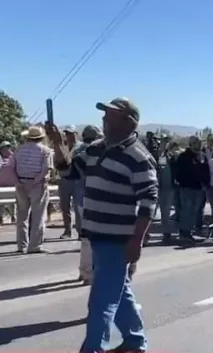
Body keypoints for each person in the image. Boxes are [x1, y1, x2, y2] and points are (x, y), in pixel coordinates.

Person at [48, 97, 158, 353]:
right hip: (96, 235)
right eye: (105, 115)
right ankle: (135, 340)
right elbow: (69, 172)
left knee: (101, 301)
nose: (104, 120)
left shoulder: (139, 157)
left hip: (118, 240)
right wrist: (57, 143)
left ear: (129, 122)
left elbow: (148, 201)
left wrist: (137, 240)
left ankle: (94, 348)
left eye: (110, 116)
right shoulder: (96, 148)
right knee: (120, 293)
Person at [13, 125, 52, 254]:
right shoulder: (45, 150)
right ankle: (35, 245)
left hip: (21, 183)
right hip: (36, 185)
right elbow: (46, 168)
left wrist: (18, 182)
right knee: (38, 215)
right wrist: (36, 181)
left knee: (22, 216)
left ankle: (21, 245)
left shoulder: (18, 150)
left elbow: (11, 167)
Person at [73, 125, 103, 285]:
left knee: (86, 236)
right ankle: (89, 273)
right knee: (94, 237)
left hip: (80, 197)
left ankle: (84, 270)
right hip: (92, 197)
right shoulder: (93, 152)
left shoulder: (77, 150)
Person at [173, 136, 210, 244]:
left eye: (198, 143)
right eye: (194, 143)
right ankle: (184, 233)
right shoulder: (183, 156)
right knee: (186, 210)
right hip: (187, 188)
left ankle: (190, 232)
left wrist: (206, 184)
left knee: (195, 211)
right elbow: (177, 172)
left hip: (199, 189)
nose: (197, 145)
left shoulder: (202, 156)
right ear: (190, 144)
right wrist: (182, 182)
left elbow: (206, 170)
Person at [58, 125, 82, 239]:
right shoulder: (63, 147)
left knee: (78, 207)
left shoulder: (81, 147)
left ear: (76, 134)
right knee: (64, 206)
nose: (69, 136)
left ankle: (80, 231)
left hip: (77, 180)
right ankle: (67, 230)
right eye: (67, 134)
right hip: (64, 179)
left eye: (71, 133)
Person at [156, 134, 176, 244]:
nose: (164, 143)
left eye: (166, 141)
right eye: (163, 141)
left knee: (166, 212)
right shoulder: (156, 155)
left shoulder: (171, 156)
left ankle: (166, 234)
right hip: (157, 187)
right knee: (151, 212)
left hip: (169, 188)